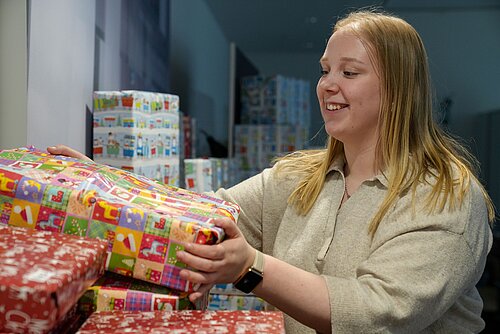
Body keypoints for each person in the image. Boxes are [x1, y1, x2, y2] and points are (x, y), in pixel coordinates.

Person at [49, 9, 495, 334]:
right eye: (325, 70)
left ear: (398, 91)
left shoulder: (447, 198)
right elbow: (201, 214)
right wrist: (102, 186)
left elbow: (375, 312)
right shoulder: (300, 179)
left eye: (349, 72)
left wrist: (252, 267)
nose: (327, 84)